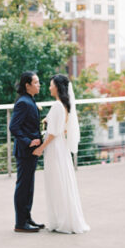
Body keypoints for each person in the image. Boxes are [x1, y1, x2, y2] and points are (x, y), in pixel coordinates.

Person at [33, 74, 89, 234]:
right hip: (60, 146)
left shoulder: (57, 106)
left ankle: (61, 221)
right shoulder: (64, 105)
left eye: (51, 85)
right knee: (61, 181)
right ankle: (63, 219)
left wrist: (40, 148)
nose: (49, 87)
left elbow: (53, 133)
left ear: (57, 87)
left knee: (56, 181)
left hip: (54, 148)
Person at [9, 71, 45, 233]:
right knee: (23, 186)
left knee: (29, 186)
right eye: (36, 82)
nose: (39, 85)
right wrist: (28, 141)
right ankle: (20, 223)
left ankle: (27, 218)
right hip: (25, 151)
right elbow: (13, 127)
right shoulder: (23, 103)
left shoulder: (30, 100)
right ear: (27, 85)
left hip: (31, 151)